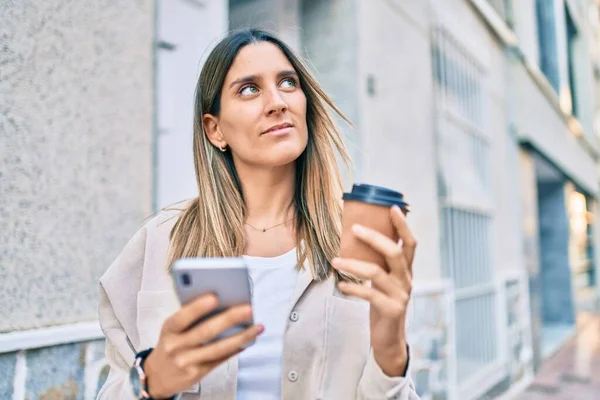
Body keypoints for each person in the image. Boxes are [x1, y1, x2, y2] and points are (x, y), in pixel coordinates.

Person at [97, 29, 420, 400]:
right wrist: (151, 382)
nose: (277, 101)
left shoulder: (359, 242)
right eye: (249, 89)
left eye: (288, 83)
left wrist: (393, 354)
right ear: (215, 129)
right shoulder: (158, 242)